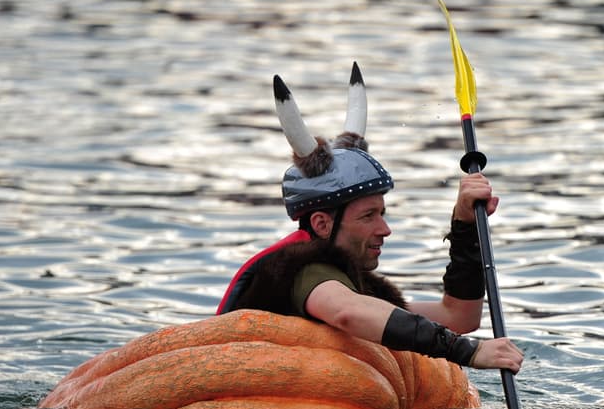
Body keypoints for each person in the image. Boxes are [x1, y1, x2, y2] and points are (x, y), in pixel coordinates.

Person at [217, 63, 523, 374]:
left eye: (382, 213)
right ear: (322, 224)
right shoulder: (299, 271)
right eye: (368, 216)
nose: (385, 229)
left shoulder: (355, 289)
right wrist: (467, 351)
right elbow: (347, 313)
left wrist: (464, 226)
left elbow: (459, 317)